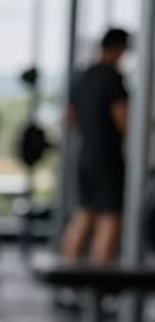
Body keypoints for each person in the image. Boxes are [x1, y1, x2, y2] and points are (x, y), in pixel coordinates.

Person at [60, 27, 131, 265]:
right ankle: (101, 285)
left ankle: (69, 281)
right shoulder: (113, 78)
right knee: (109, 218)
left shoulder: (83, 75)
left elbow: (70, 117)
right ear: (119, 48)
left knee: (83, 213)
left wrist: (92, 129)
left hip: (86, 153)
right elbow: (124, 120)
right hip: (107, 155)